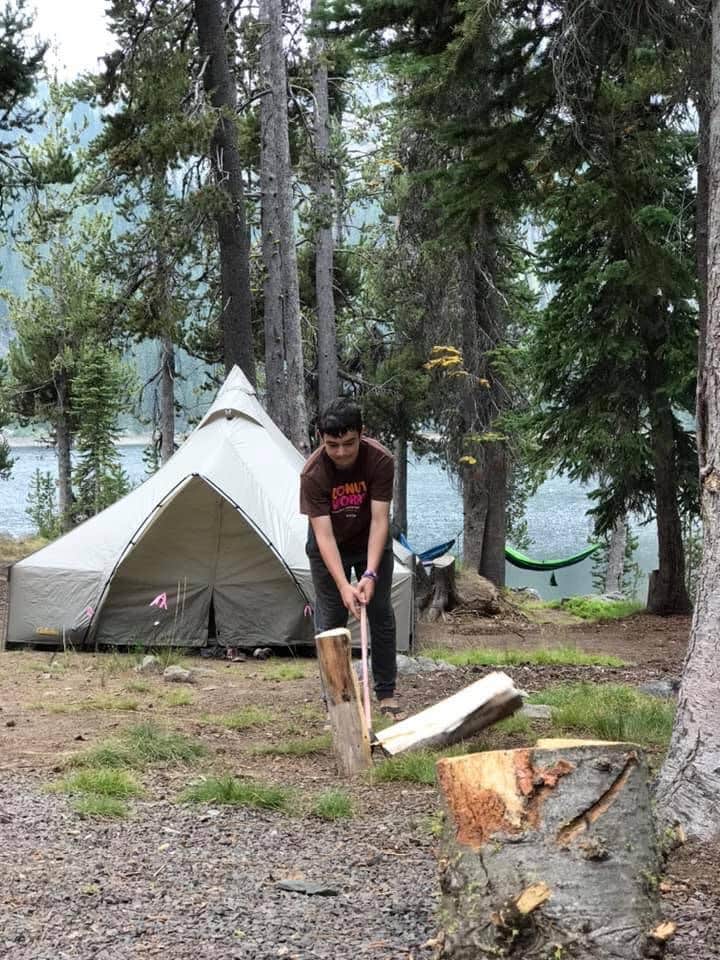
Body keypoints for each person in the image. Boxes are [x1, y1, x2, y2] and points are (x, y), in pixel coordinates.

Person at [300, 397, 403, 719]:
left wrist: (369, 574)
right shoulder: (313, 474)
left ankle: (385, 693)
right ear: (321, 439)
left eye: (349, 443)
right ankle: (336, 700)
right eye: (333, 445)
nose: (342, 452)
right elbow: (324, 535)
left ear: (362, 433)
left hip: (371, 540)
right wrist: (345, 585)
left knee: (380, 612)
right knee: (330, 620)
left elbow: (379, 520)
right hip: (329, 547)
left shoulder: (380, 461)